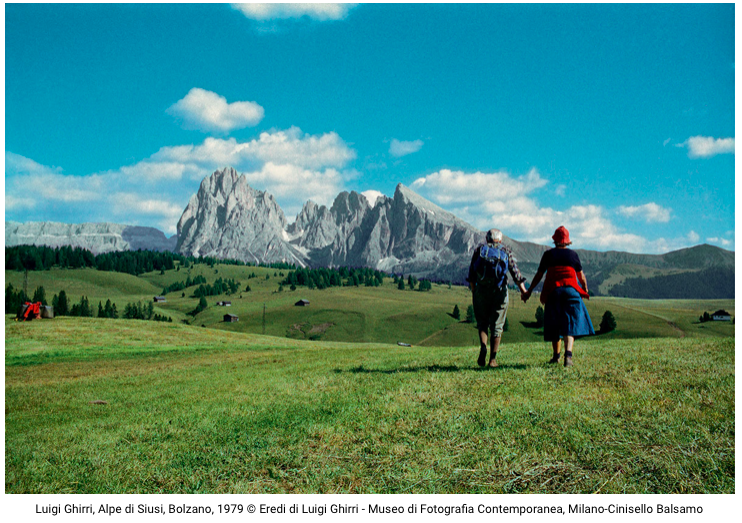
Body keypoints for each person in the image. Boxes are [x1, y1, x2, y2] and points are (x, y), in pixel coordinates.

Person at [521, 226, 594, 367]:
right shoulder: (573, 255)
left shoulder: (548, 255)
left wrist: (529, 291)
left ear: (555, 240)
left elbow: (539, 275)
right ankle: (568, 356)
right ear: (567, 241)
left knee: (555, 324)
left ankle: (556, 357)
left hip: (554, 292)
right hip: (571, 291)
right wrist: (584, 289)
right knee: (570, 324)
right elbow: (581, 276)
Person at [467, 228, 528, 368]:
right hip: (499, 292)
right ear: (500, 239)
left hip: (481, 291)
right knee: (497, 325)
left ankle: (483, 347)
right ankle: (492, 359)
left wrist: (475, 292)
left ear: (487, 239)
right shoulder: (505, 250)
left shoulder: (479, 250)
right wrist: (524, 291)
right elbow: (516, 274)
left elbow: (471, 274)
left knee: (482, 323)